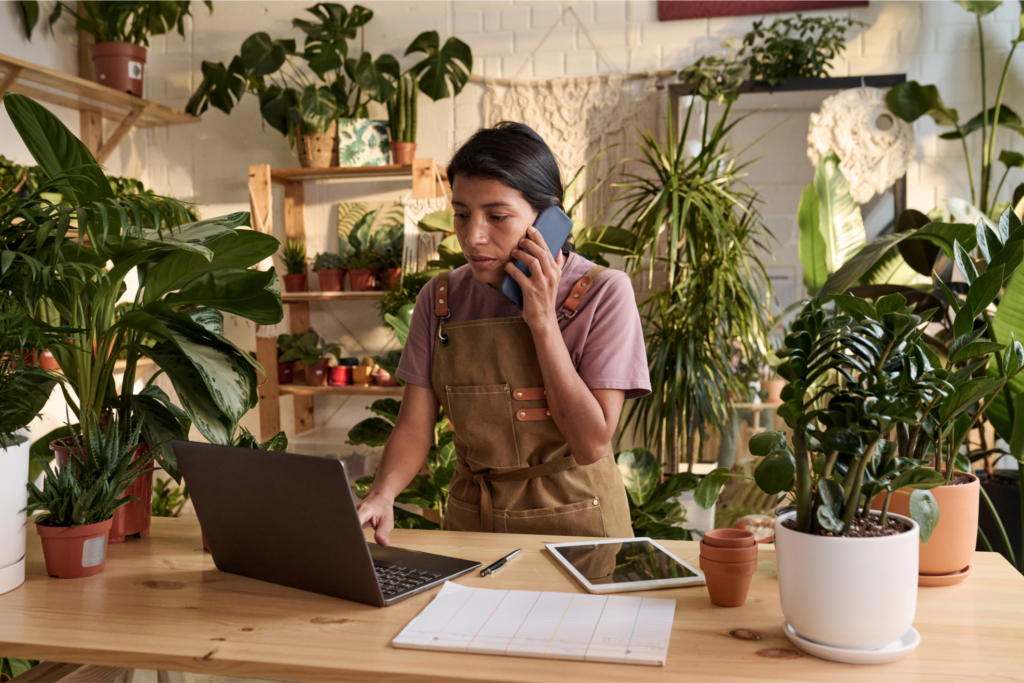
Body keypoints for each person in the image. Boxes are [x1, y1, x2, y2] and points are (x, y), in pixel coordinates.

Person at [357, 122, 650, 546]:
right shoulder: (439, 298)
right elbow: (415, 427)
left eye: (497, 216)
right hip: (473, 525)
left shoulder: (604, 293)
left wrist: (544, 322)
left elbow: (590, 444)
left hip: (578, 526)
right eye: (461, 214)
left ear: (547, 220)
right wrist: (382, 495)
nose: (473, 236)